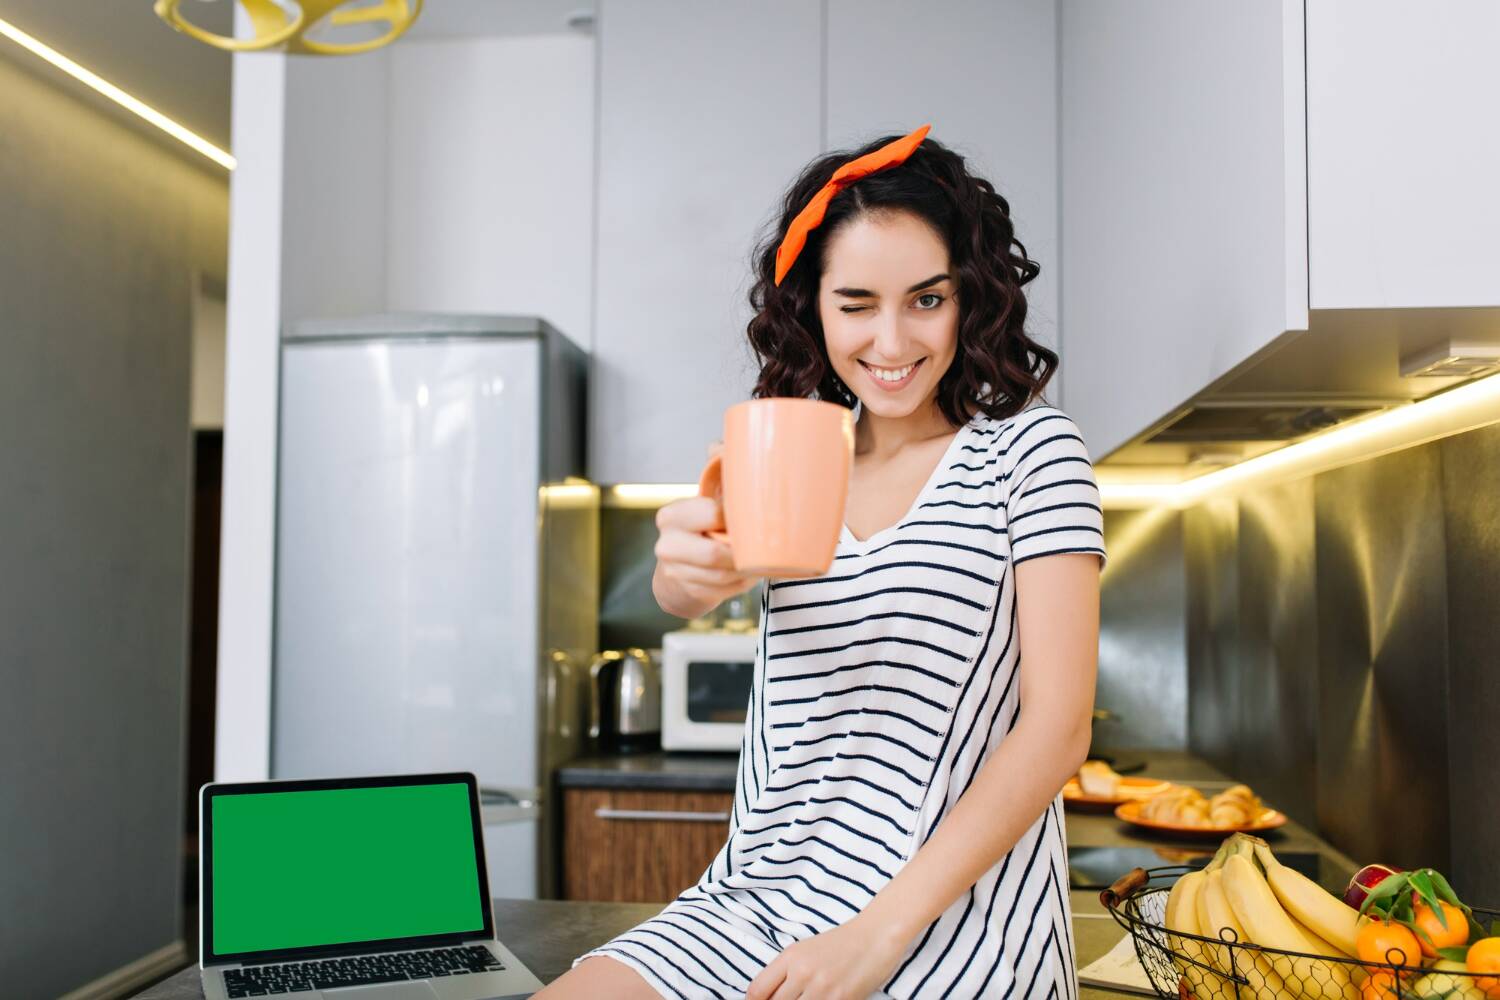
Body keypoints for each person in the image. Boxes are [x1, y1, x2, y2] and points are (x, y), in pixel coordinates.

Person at [536, 125, 1105, 999]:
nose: (890, 340)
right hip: (755, 903)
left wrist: (874, 936)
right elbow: (687, 577)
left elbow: (1060, 727)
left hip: (957, 926)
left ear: (970, 298)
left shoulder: (1029, 454)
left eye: (925, 299)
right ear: (814, 307)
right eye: (856, 303)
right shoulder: (794, 455)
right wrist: (679, 574)